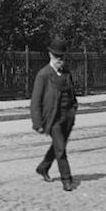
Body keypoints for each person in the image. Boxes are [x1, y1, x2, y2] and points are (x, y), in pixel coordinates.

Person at [30, 37, 78, 191]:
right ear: (50, 55)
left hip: (67, 117)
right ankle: (67, 179)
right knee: (61, 149)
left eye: (62, 57)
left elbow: (72, 94)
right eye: (57, 57)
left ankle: (43, 167)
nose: (60, 60)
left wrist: (74, 108)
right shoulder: (43, 74)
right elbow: (35, 101)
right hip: (53, 119)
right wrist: (37, 124)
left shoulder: (67, 74)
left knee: (58, 146)